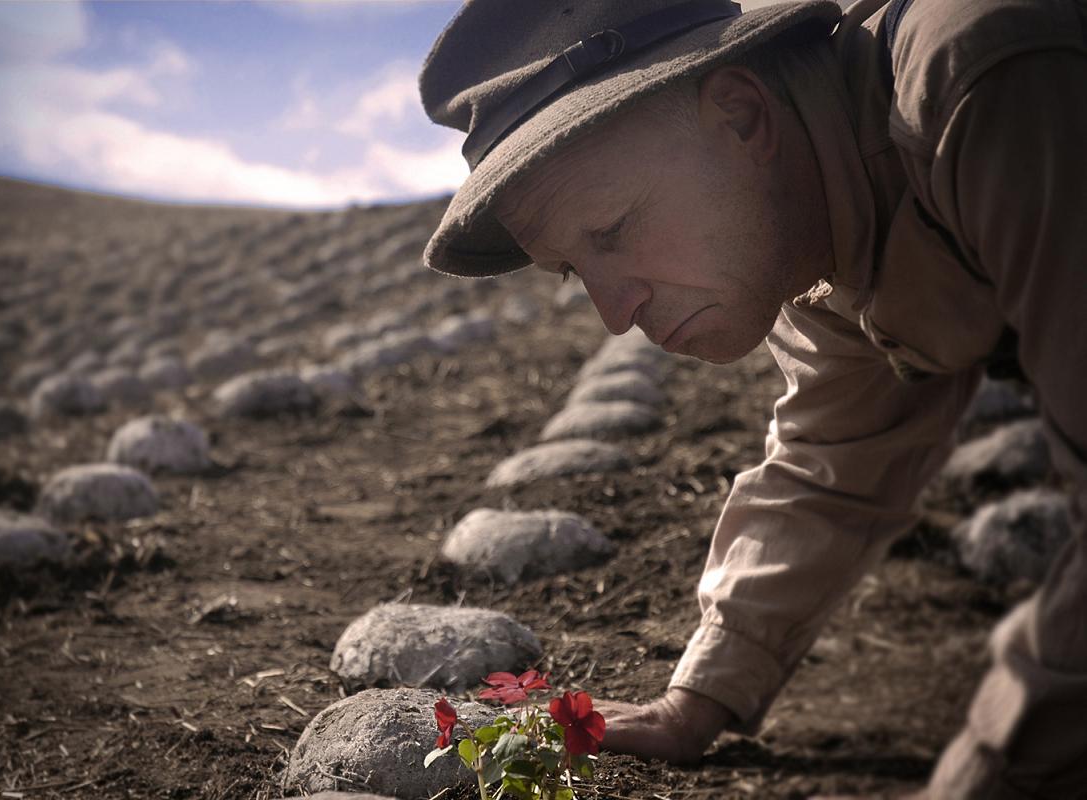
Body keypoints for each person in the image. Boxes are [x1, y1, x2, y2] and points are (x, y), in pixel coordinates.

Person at [417, 0, 1087, 797]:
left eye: (611, 231)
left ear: (741, 114)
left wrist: (992, 766)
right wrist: (697, 699)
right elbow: (835, 460)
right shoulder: (801, 222)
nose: (614, 314)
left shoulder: (988, 79)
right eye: (572, 270)